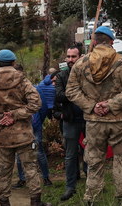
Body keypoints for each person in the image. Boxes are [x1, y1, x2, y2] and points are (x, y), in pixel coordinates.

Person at [66, 26, 122, 205]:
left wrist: (92, 106)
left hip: (94, 121)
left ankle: (92, 198)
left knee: (94, 160)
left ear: (94, 41)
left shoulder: (81, 63)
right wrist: (111, 105)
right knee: (121, 159)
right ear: (112, 42)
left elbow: (71, 91)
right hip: (119, 119)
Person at [0, 49, 50, 206]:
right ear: (14, 63)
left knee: (3, 172)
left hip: (3, 137)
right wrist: (15, 114)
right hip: (23, 135)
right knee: (30, 169)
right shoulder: (22, 81)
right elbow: (36, 103)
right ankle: (36, 202)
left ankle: (4, 202)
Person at [15, 70, 58, 188]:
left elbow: (43, 107)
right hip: (19, 128)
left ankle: (45, 177)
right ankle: (22, 179)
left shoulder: (35, 89)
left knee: (38, 152)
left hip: (35, 126)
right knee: (19, 154)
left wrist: (38, 120)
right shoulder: (12, 92)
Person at [54, 45, 86, 201]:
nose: (70, 60)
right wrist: (76, 93)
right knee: (70, 155)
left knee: (90, 152)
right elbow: (59, 95)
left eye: (73, 56)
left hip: (87, 118)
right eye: (68, 57)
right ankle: (70, 186)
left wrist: (72, 93)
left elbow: (92, 93)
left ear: (80, 57)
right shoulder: (61, 76)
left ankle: (92, 182)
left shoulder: (86, 73)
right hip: (70, 120)